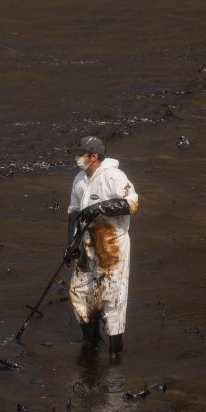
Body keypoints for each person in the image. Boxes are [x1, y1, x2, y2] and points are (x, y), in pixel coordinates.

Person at [65, 135, 139, 357]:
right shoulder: (79, 179)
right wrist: (71, 242)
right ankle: (91, 343)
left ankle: (115, 352)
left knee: (111, 298)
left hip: (112, 246)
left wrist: (100, 207)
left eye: (81, 154)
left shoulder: (114, 176)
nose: (77, 158)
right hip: (86, 245)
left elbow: (132, 203)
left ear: (94, 156)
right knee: (79, 292)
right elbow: (73, 212)